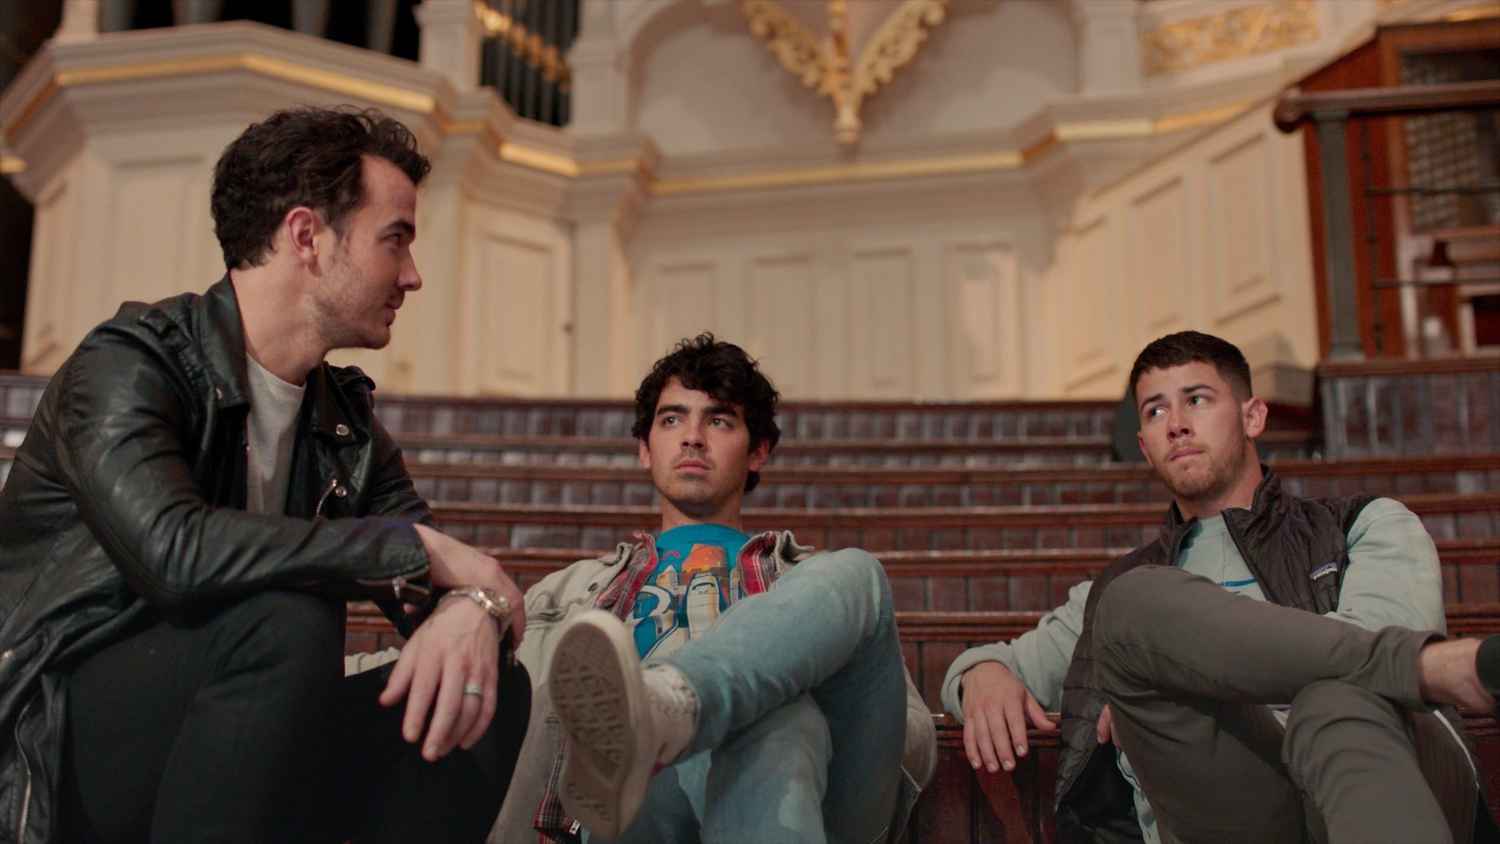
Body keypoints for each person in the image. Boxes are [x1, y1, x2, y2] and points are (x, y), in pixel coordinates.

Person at [0, 107, 530, 843]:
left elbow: (439, 574)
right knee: (286, 622)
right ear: (307, 236)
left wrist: (471, 609)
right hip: (59, 742)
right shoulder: (129, 364)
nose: (412, 276)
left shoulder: (344, 425)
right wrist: (419, 552)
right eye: (396, 239)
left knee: (483, 684)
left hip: (239, 741)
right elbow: (173, 553)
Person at [943, 330, 1495, 844]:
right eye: (1156, 410)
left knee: (1336, 701)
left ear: (1253, 416)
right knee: (1132, 602)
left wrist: (1171, 687)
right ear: (1144, 444)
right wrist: (979, 675)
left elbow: (1378, 670)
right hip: (1241, 806)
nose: (1176, 424)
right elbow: (996, 664)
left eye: (1197, 399)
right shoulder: (1122, 591)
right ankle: (1434, 665)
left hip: (1382, 765)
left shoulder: (1361, 526)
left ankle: (1410, 667)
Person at [494, 334, 935, 844]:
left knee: (850, 588)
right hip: (621, 811)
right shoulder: (564, 591)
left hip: (815, 796)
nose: (692, 438)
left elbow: (911, 740)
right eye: (671, 420)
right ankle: (654, 722)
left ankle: (669, 709)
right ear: (644, 449)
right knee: (780, 719)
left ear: (758, 451)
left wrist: (782, 696)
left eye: (719, 421)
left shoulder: (813, 585)